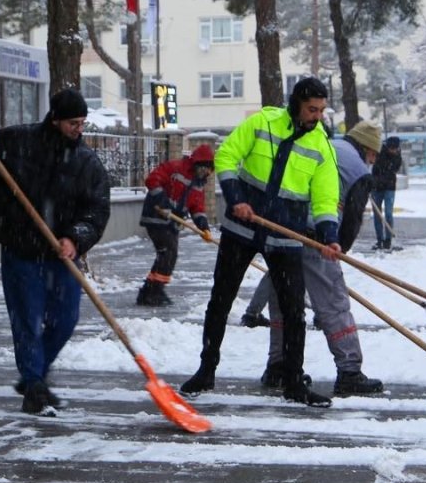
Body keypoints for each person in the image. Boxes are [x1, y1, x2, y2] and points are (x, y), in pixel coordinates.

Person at [179, 77, 341, 408]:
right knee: (220, 300)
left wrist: (328, 237)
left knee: (294, 311)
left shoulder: (321, 145)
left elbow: (325, 198)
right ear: (296, 104)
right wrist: (235, 197)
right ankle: (206, 370)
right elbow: (226, 158)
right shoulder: (261, 123)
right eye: (312, 109)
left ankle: (293, 382)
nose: (317, 116)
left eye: (322, 110)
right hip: (242, 229)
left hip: (285, 236)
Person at [0, 89, 110, 417]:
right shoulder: (18, 142)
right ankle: (34, 384)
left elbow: (97, 210)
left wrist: (76, 239)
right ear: (55, 119)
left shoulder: (86, 163)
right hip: (21, 249)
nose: (78, 129)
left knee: (67, 317)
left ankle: (34, 377)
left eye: (83, 123)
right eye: (73, 122)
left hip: (60, 254)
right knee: (27, 320)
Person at [251, 121, 384, 397]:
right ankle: (349, 371)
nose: (373, 160)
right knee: (334, 304)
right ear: (367, 148)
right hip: (316, 237)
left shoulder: (321, 145)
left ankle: (278, 367)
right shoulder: (358, 170)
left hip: (282, 229)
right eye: (374, 154)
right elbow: (352, 218)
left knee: (283, 302)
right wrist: (339, 250)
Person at [136, 144, 214, 307]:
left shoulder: (198, 183)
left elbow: (197, 207)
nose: (208, 173)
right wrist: (162, 201)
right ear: (199, 164)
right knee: (168, 252)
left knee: (166, 254)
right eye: (206, 168)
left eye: (210, 169)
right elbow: (152, 180)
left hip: (172, 222)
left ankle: (149, 291)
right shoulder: (176, 168)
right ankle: (155, 291)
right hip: (156, 217)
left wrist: (203, 226)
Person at [370, 135, 403, 251]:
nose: (393, 150)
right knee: (377, 214)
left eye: (395, 149)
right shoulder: (379, 153)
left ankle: (388, 240)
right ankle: (379, 240)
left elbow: (395, 168)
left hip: (389, 188)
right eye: (391, 148)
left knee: (388, 214)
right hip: (377, 188)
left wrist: (394, 156)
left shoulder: (397, 156)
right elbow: (377, 168)